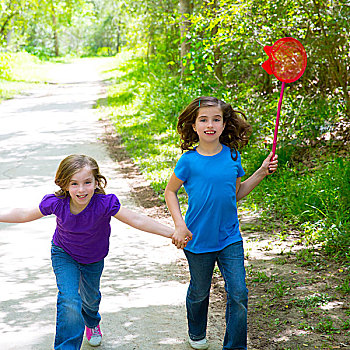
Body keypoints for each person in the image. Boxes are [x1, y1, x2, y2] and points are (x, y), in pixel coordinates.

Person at [0, 154, 189, 350]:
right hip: (64, 253)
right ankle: (66, 346)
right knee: (69, 298)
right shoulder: (56, 202)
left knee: (90, 299)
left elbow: (137, 219)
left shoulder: (104, 204)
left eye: (87, 182)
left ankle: (92, 322)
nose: (81, 190)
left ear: (97, 182)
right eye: (74, 184)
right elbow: (23, 214)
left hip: (93, 258)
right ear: (64, 184)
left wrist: (172, 233)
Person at [164, 96, 278, 350]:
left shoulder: (232, 156)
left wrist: (260, 172)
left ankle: (235, 346)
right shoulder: (188, 161)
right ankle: (196, 331)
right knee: (199, 292)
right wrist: (180, 225)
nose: (210, 124)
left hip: (229, 237)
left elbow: (235, 194)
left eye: (216, 119)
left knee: (238, 293)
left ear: (225, 124)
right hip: (198, 238)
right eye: (203, 119)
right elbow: (170, 192)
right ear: (193, 126)